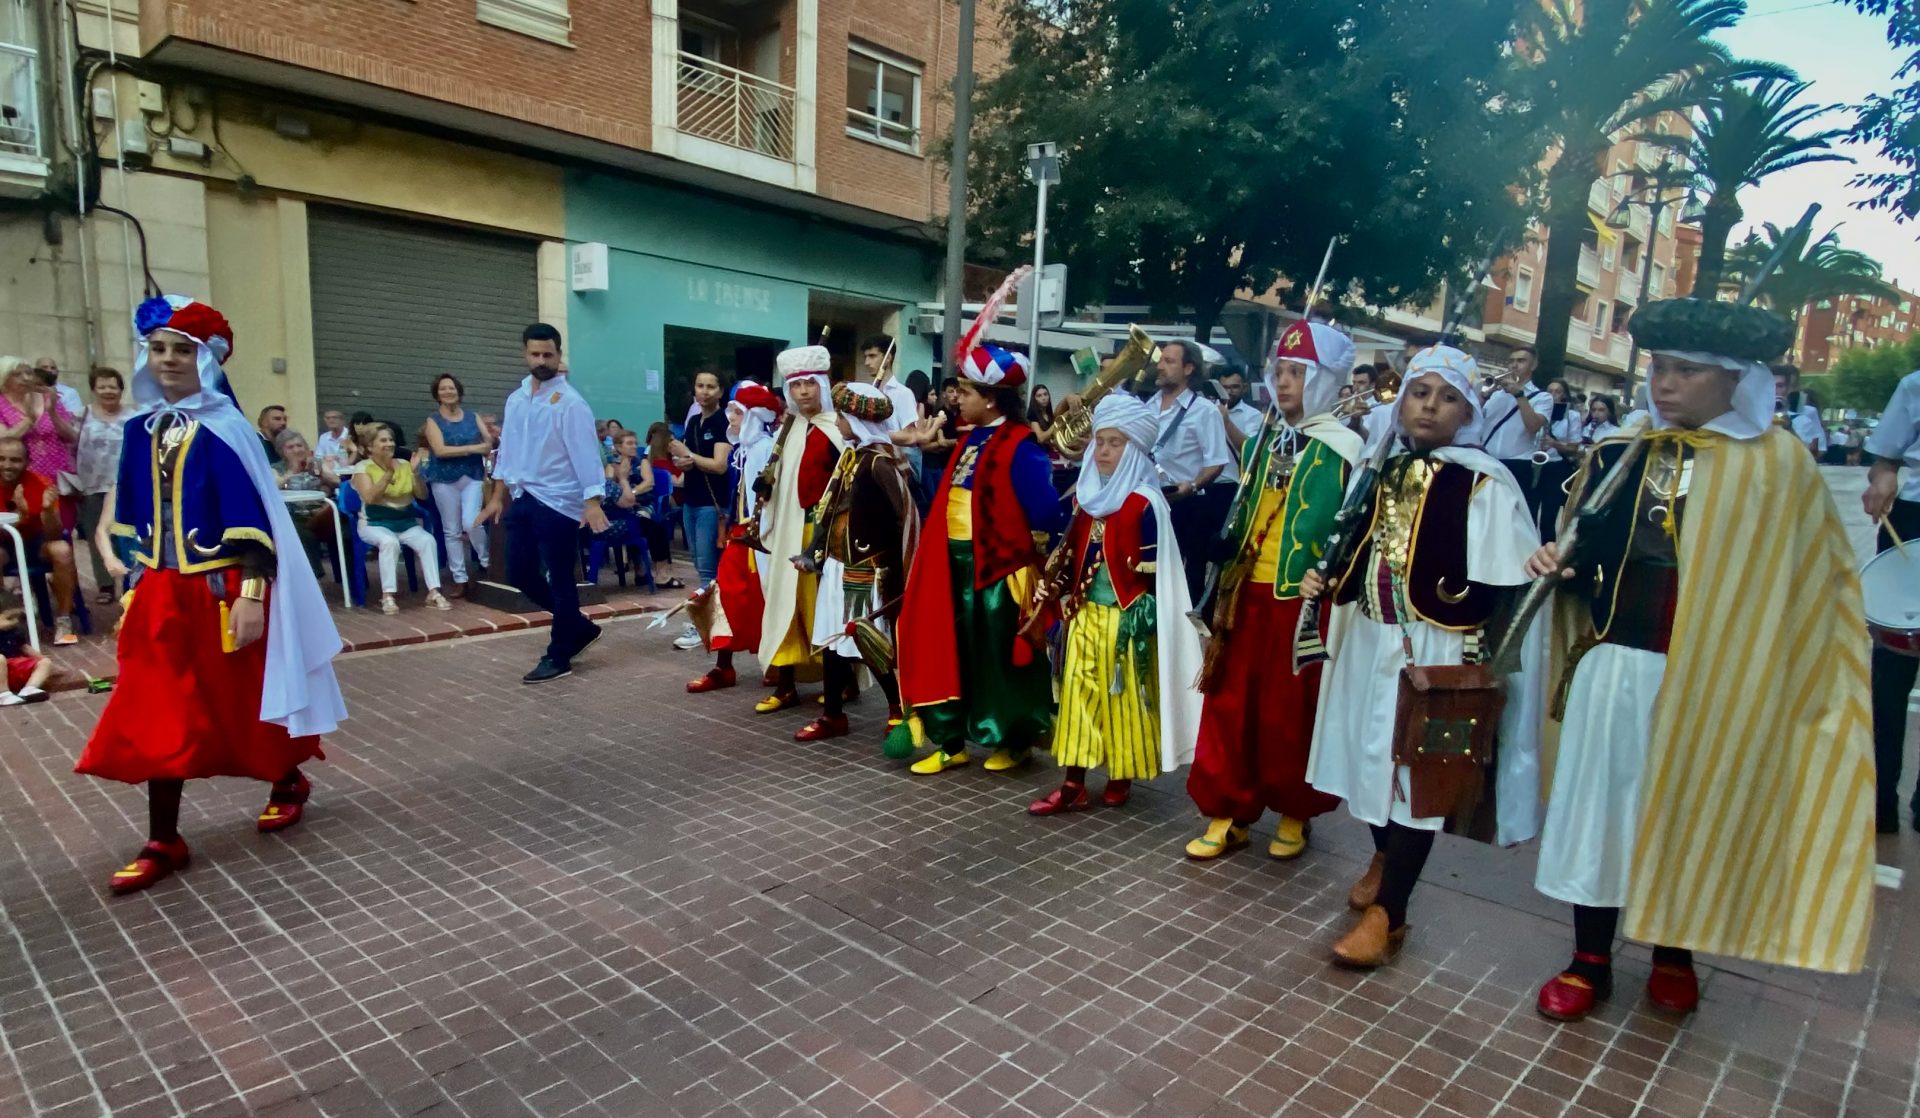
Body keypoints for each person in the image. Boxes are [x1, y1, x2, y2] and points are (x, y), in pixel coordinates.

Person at [1531, 297, 1877, 1021]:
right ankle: (1589, 958)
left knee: (1692, 807)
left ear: (1734, 379)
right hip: (1616, 663)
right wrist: (1559, 561)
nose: (1666, 383)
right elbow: (1588, 549)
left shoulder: (1778, 467)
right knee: (1600, 810)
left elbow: (1812, 583)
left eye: (1687, 370)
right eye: (1660, 366)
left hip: (1716, 678)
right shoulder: (1622, 451)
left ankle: (1674, 953)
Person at [76, 294, 345, 895]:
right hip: (161, 592)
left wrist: (251, 593)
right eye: (159, 349)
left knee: (247, 697)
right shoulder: (141, 429)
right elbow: (136, 514)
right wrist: (133, 576)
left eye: (182, 349)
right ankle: (163, 839)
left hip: (220, 591)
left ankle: (288, 777)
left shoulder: (226, 428)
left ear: (205, 359)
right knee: (156, 706)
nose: (169, 359)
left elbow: (254, 517)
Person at [1301, 345, 1546, 968]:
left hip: (1437, 650)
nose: (1430, 406)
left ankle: (1392, 913)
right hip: (1369, 638)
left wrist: (1483, 662)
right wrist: (1328, 579)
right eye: (1420, 392)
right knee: (1368, 759)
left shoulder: (1483, 484)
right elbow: (1357, 546)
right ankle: (1386, 858)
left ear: (1467, 412)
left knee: (1417, 777)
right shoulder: (1379, 467)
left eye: (1448, 397)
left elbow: (1507, 587)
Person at [1184, 321, 1364, 860]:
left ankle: (1294, 810)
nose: (1282, 383)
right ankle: (1228, 809)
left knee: (1289, 714)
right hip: (1244, 596)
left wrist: (1332, 578)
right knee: (1230, 706)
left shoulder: (1347, 449)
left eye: (1297, 373)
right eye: (1279, 371)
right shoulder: (1265, 441)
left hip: (1301, 602)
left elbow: (1357, 530)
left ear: (1324, 380)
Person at [1028, 393, 1205, 814]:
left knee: (1123, 702)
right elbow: (1073, 558)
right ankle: (1073, 783)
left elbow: (1161, 577)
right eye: (1099, 441)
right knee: (1076, 699)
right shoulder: (1086, 498)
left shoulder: (1145, 504)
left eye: (1115, 443)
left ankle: (1120, 776)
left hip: (1126, 621)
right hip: (1083, 616)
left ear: (1135, 450)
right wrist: (1055, 586)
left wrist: (1150, 620)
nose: (1103, 451)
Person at [894, 342, 1066, 774]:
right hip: (950, 566)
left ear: (990, 399)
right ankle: (951, 742)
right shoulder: (970, 438)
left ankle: (1016, 738)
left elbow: (1045, 510)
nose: (957, 398)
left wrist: (1032, 558)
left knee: (999, 660)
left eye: (966, 392)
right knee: (949, 652)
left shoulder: (1021, 444)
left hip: (998, 570)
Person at [475, 323, 610, 684]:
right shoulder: (517, 399)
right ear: (525, 354)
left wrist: (592, 501)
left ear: (558, 355)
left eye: (548, 354)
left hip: (560, 502)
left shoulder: (570, 403)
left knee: (561, 578)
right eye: (535, 354)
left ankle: (559, 654)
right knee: (518, 573)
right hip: (523, 497)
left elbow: (586, 454)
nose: (541, 361)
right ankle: (577, 626)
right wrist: (497, 496)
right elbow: (508, 449)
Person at [798, 381, 920, 742]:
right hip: (838, 564)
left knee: (867, 640)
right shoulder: (853, 457)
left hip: (866, 569)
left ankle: (897, 708)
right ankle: (832, 715)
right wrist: (816, 555)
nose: (837, 422)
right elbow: (833, 510)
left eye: (841, 416)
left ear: (856, 420)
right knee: (832, 641)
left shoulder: (880, 463)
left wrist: (898, 568)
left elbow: (905, 516)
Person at [752, 347, 844, 711]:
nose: (803, 391)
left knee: (825, 610)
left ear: (822, 385)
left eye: (810, 383)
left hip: (825, 535)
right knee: (786, 608)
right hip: (789, 531)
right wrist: (767, 489)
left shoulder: (837, 430)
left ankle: (843, 682)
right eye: (796, 385)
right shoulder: (787, 431)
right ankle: (786, 684)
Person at [689, 382, 781, 693]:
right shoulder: (743, 450)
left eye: (738, 412)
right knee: (727, 595)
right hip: (740, 534)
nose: (731, 418)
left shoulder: (767, 448)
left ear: (754, 416)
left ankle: (776, 662)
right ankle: (723, 665)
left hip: (762, 535)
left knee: (765, 598)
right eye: (731, 411)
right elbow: (737, 496)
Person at [1864, 368, 1920, 833]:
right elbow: (1885, 459)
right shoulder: (1915, 385)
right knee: (1893, 665)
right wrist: (1882, 478)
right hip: (1914, 520)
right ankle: (1879, 796)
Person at [1151, 339, 1234, 600]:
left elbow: (1216, 462)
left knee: (1186, 580)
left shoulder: (1204, 411)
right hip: (1149, 502)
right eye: (1160, 360)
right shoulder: (1147, 405)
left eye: (1169, 361)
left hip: (1186, 505)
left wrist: (1193, 486)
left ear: (1188, 369)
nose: (1160, 366)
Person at [353, 426, 451, 615]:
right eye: (383, 440)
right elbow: (370, 498)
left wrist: (415, 474)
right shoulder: (363, 468)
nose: (390, 444)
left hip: (405, 523)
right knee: (389, 542)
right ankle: (387, 596)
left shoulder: (405, 464)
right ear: (370, 447)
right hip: (374, 523)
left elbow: (422, 495)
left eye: (391, 440)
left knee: (427, 541)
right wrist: (388, 474)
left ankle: (434, 592)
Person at [668, 371, 734, 649]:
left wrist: (688, 455)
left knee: (708, 568)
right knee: (699, 564)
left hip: (712, 503)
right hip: (691, 500)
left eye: (711, 386)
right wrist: (683, 462)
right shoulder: (694, 421)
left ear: (720, 391)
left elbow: (719, 465)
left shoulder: (723, 422)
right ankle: (711, 619)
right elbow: (690, 461)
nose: (704, 391)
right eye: (700, 386)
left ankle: (704, 626)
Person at [0, 436, 81, 645]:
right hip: (4, 546)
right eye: (2, 459)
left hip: (36, 544)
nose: (7, 465)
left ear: (27, 462)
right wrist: (21, 516)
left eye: (15, 460)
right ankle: (4, 615)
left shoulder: (41, 484)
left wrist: (46, 510)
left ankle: (64, 621)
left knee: (62, 549)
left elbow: (55, 534)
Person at [421, 374, 494, 597]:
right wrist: (472, 448)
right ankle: (460, 578)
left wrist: (475, 448)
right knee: (451, 530)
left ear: (458, 391)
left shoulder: (473, 416)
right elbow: (440, 450)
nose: (448, 392)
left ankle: (487, 562)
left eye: (451, 388)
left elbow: (488, 444)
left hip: (472, 476)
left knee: (472, 522)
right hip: (443, 479)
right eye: (443, 388)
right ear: (437, 394)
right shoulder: (432, 421)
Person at [76, 367, 130, 604]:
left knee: (127, 535)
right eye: (102, 386)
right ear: (93, 390)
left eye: (112, 386)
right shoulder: (81, 415)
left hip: (125, 484)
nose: (108, 391)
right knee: (96, 534)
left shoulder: (134, 417)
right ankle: (105, 585)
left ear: (121, 389)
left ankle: (130, 581)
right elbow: (69, 442)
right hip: (92, 484)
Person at [1480, 347, 1552, 518]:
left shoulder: (1543, 397)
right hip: (1487, 461)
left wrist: (1519, 395)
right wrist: (1484, 395)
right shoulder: (1495, 395)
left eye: (1521, 361)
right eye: (1511, 361)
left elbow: (1533, 426)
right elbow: (1473, 420)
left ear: (1533, 365)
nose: (1514, 365)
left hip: (1518, 465)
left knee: (1512, 518)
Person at [1532, 378, 1583, 542]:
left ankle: (1548, 549)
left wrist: (1555, 444)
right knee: (1529, 513)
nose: (1552, 395)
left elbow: (1574, 448)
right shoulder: (1537, 411)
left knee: (1548, 518)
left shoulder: (1572, 416)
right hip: (1534, 465)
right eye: (1550, 391)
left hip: (1556, 468)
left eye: (1557, 391)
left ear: (1564, 395)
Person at [0, 595, 52, 706]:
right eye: (8, 619)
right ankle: (3, 694)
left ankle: (29, 689)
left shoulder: (13, 632)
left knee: (45, 662)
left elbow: (25, 647)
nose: (13, 622)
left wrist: (43, 660)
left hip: (13, 666)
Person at [919, 377, 961, 506]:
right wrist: (959, 442)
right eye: (951, 391)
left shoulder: (963, 413)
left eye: (957, 391)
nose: (955, 395)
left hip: (960, 466)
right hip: (943, 466)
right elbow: (941, 442)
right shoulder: (939, 415)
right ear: (944, 394)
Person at [1773, 365, 1826, 457]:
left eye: (1780, 386)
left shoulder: (1805, 418)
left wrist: (1790, 429)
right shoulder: (1754, 417)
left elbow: (1816, 453)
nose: (1775, 390)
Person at [1215, 366, 1265, 461]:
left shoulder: (1253, 415)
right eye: (1224, 387)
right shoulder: (1209, 409)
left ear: (1245, 388)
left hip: (1236, 470)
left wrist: (1227, 422)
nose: (1229, 392)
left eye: (1235, 387)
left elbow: (1250, 450)